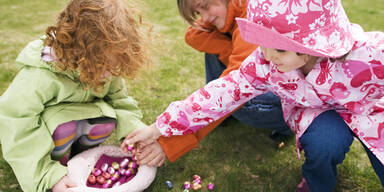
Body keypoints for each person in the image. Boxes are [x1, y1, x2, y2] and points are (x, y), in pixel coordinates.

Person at [123, 0, 384, 191]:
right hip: (314, 110)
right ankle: (317, 185)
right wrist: (159, 128)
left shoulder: (369, 55)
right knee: (324, 147)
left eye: (279, 50)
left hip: (370, 110)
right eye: (261, 44)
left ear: (311, 46)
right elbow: (221, 93)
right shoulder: (265, 63)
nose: (268, 56)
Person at [0, 0, 148, 191]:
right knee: (62, 126)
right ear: (78, 51)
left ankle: (73, 155)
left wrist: (134, 132)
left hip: (73, 122)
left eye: (115, 64)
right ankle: (52, 163)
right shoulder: (40, 75)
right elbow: (17, 122)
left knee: (106, 118)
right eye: (103, 65)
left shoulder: (106, 66)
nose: (109, 73)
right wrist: (48, 176)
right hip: (45, 130)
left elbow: (120, 101)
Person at [133, 0, 291, 167]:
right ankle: (221, 115)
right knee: (213, 41)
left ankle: (290, 125)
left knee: (243, 106)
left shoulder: (252, 19)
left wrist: (169, 143)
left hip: (291, 96)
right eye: (199, 12)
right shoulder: (232, 10)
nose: (205, 18)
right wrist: (227, 50)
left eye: (205, 6)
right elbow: (193, 33)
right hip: (254, 81)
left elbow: (234, 92)